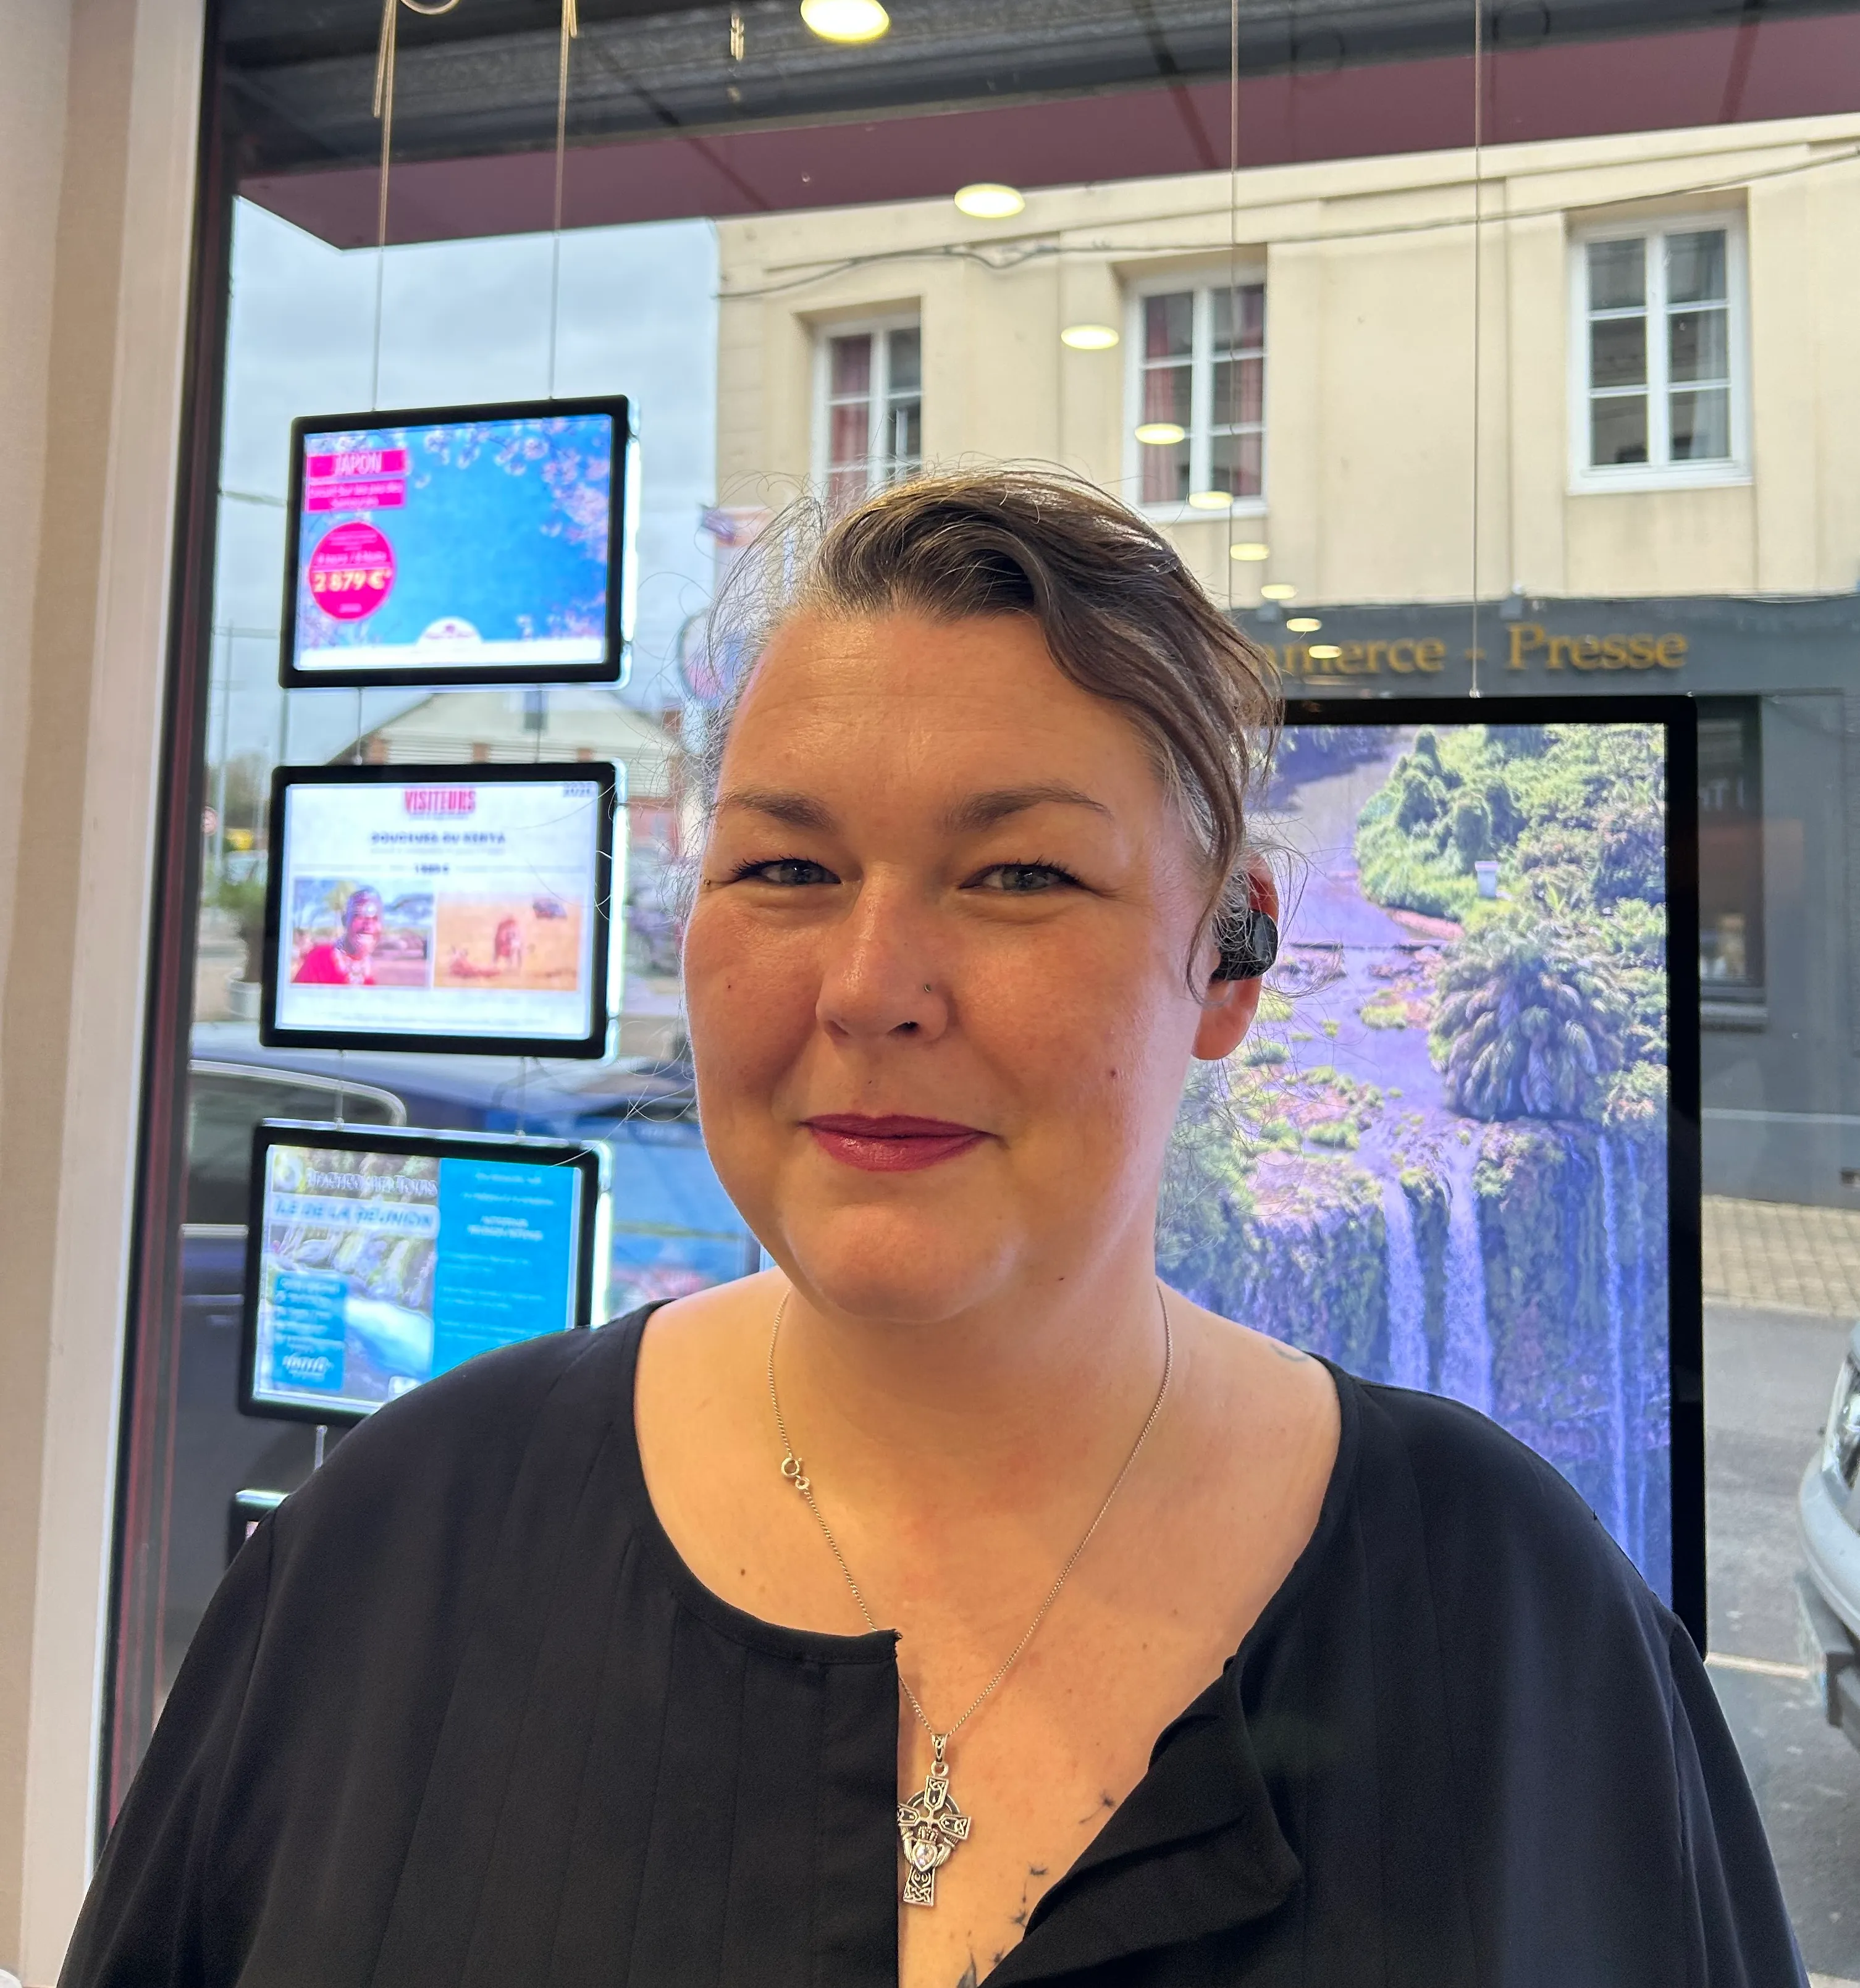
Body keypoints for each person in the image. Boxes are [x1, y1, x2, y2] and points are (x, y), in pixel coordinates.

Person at [65, 470, 1801, 1988]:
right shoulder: (387, 1560)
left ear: (1228, 955)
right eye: (787, 871)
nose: (871, 988)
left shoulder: (1510, 1611)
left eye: (1019, 874)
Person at [290, 886, 384, 986]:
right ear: (345, 920)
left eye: (375, 918)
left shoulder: (375, 971)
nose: (369, 925)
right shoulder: (319, 960)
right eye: (359, 916)